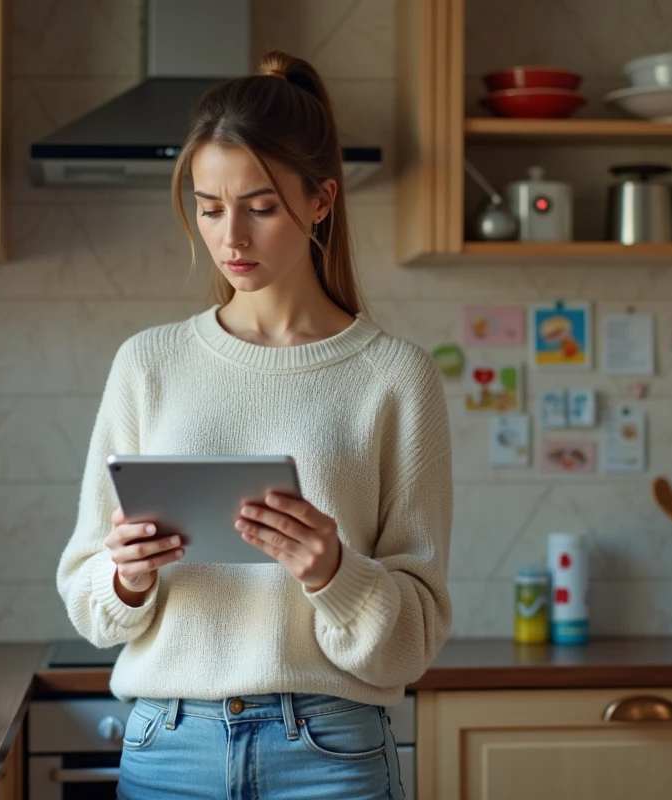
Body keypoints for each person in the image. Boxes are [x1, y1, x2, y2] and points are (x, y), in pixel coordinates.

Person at [56, 50, 453, 800]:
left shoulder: (396, 377)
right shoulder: (149, 363)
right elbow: (88, 597)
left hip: (331, 752)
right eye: (209, 207)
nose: (230, 235)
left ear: (321, 202)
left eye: (261, 206)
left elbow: (413, 642)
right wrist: (129, 578)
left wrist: (334, 573)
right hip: (169, 747)